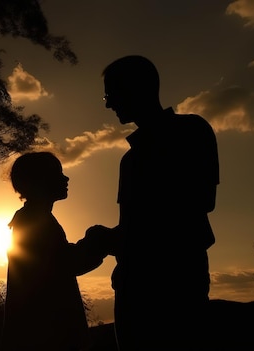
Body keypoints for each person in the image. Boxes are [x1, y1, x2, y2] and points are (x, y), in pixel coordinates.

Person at [95, 55, 220, 350]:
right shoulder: (131, 159)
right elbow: (137, 225)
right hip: (139, 282)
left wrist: (111, 239)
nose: (108, 104)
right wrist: (112, 239)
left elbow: (197, 203)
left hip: (173, 282)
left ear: (135, 89)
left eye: (111, 94)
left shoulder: (191, 131)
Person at [0, 151, 111, 351]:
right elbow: (66, 264)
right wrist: (97, 240)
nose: (65, 178)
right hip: (48, 338)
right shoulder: (35, 221)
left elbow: (57, 259)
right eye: (57, 173)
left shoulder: (32, 219)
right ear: (40, 181)